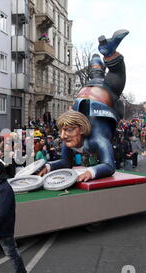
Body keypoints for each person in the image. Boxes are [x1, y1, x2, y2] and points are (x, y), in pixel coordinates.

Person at [39, 29, 129, 182]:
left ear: (80, 129)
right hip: (93, 92)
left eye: (67, 130)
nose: (62, 136)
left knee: (113, 80)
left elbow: (109, 165)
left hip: (101, 92)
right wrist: (47, 167)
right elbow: (65, 163)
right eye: (62, 130)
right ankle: (105, 56)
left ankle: (104, 57)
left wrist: (91, 171)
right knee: (105, 76)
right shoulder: (71, 139)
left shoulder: (97, 138)